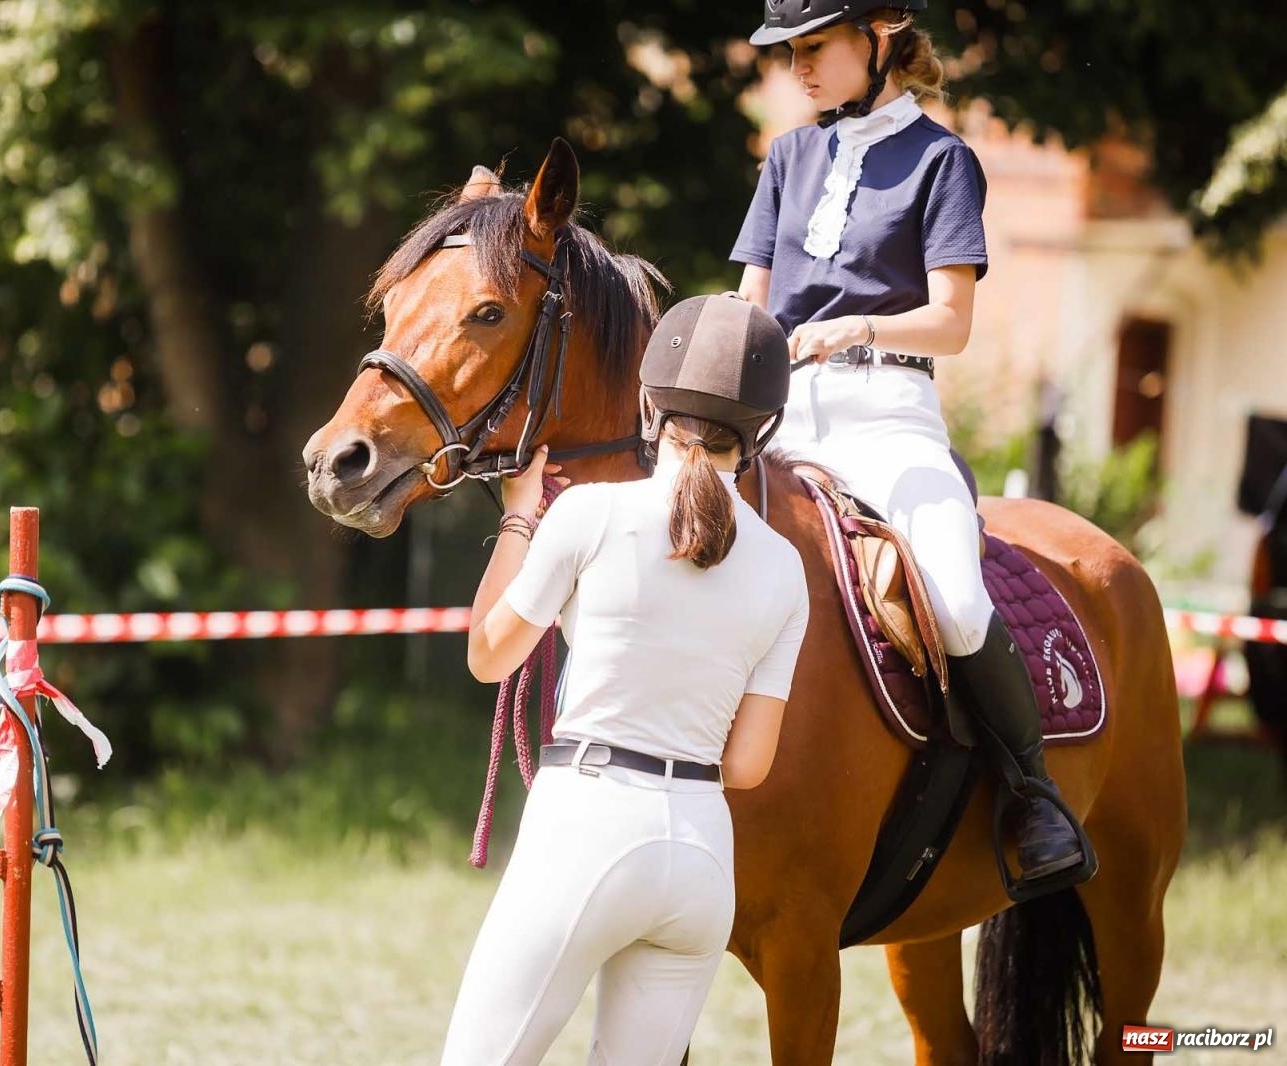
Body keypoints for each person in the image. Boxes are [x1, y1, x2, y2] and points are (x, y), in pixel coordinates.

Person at [731, 0, 1089, 883]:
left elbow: (952, 323)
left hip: (886, 413)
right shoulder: (788, 156)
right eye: (791, 54)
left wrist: (853, 328)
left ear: (880, 36)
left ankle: (1033, 794)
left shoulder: (943, 160)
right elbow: (750, 305)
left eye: (817, 48)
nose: (801, 69)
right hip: (780, 416)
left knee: (960, 603)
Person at [441, 295, 808, 1065]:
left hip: (588, 823)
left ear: (650, 406)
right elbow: (747, 765)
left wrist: (518, 515)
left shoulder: (590, 515)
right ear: (761, 430)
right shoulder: (785, 568)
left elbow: (488, 656)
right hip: (702, 855)